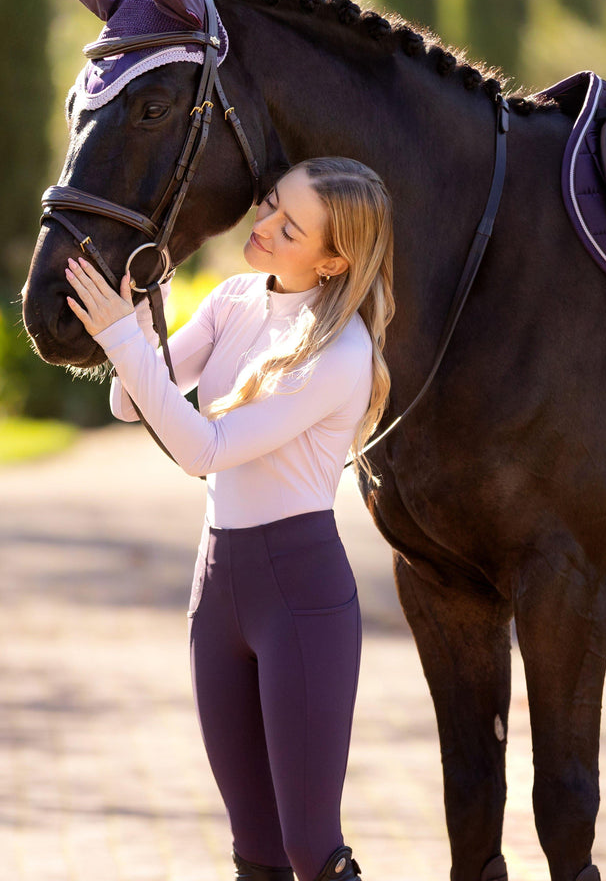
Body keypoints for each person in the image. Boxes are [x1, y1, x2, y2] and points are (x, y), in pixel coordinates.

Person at [64, 156, 395, 881]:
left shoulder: (340, 354)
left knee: (310, 847)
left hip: (300, 597)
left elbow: (202, 450)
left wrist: (123, 339)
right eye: (271, 204)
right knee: (254, 849)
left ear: (334, 259)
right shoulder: (235, 298)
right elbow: (131, 404)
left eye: (290, 225)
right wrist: (145, 317)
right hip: (218, 587)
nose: (265, 225)